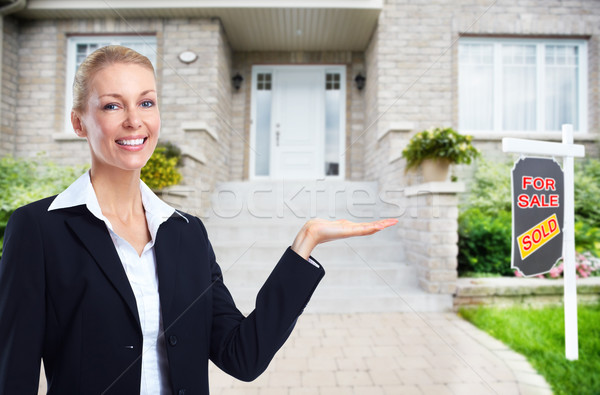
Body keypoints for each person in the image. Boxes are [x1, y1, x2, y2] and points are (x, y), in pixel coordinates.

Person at [0, 45, 397, 395]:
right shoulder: (38, 230)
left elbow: (242, 357)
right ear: (78, 122)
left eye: (147, 102)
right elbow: (14, 375)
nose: (134, 121)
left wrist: (305, 243)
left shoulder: (186, 234)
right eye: (112, 105)